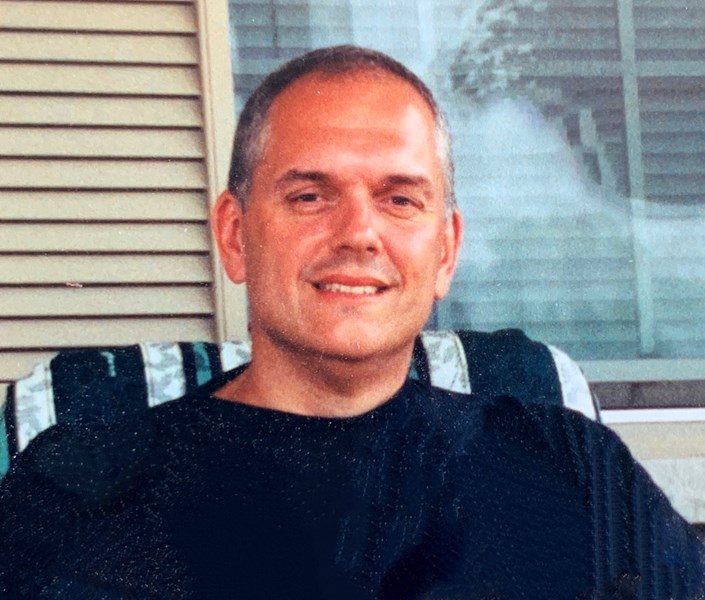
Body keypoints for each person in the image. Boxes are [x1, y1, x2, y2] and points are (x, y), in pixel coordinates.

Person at [0, 45, 703, 599]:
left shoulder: (569, 463)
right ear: (235, 235)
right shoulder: (79, 489)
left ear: (445, 251)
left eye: (399, 199)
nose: (359, 232)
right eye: (310, 195)